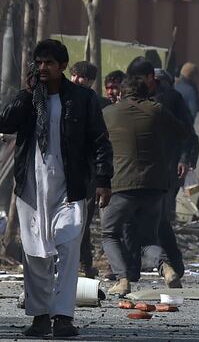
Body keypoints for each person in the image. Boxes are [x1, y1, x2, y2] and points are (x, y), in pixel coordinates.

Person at [0, 39, 113, 337]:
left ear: (62, 66)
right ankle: (39, 317)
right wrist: (26, 93)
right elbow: (5, 122)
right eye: (38, 63)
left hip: (70, 187)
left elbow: (100, 141)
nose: (43, 68)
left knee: (67, 245)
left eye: (48, 63)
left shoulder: (82, 99)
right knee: (35, 254)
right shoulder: (28, 99)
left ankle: (63, 316)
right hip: (31, 189)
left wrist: (103, 180)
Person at [101, 75, 192, 296]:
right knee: (148, 239)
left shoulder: (108, 113)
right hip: (154, 186)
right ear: (147, 93)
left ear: (122, 94)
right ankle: (166, 268)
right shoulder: (156, 110)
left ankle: (123, 279)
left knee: (110, 233)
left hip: (121, 185)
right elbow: (184, 132)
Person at [118, 61, 199, 283]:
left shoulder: (170, 99)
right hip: (134, 170)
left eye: (139, 79)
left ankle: (172, 262)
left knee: (158, 220)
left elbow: (188, 134)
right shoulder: (133, 101)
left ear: (150, 77)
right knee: (131, 219)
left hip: (165, 169)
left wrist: (184, 159)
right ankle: (132, 268)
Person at [69, 61, 110, 279]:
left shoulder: (99, 104)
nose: (77, 80)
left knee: (82, 220)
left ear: (92, 81)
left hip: (90, 172)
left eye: (81, 77)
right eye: (74, 75)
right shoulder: (62, 98)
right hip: (65, 170)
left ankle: (85, 264)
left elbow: (103, 141)